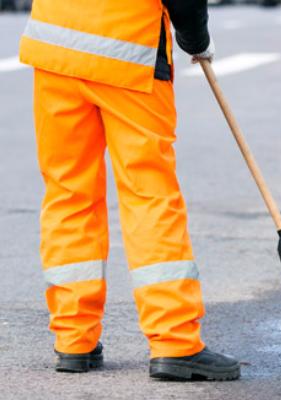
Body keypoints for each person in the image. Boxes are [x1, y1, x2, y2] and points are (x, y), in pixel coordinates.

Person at [18, 0, 240, 381]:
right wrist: (195, 37)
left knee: (68, 192)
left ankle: (74, 339)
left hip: (55, 49)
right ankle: (175, 343)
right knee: (148, 194)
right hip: (128, 53)